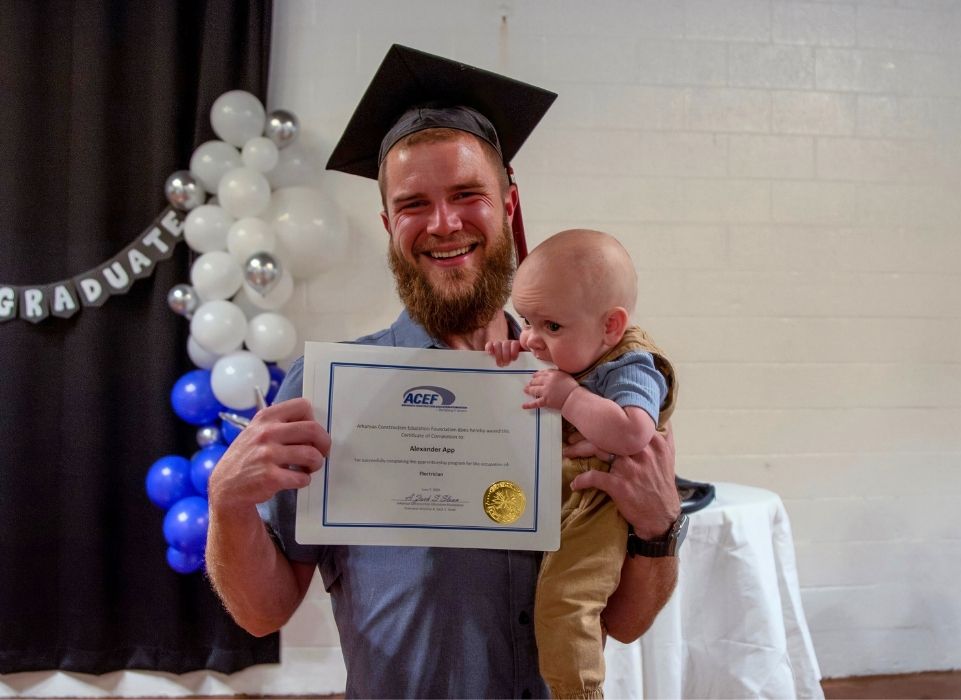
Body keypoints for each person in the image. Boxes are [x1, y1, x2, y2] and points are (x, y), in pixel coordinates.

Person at [205, 45, 683, 699]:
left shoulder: (589, 390)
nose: (444, 223)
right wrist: (228, 504)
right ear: (388, 225)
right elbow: (264, 610)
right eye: (413, 205)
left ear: (508, 207)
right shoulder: (329, 392)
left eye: (467, 195)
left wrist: (659, 529)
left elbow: (625, 624)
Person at [487, 229, 681, 699]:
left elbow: (634, 433)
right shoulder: (579, 344)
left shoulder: (630, 365)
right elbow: (543, 359)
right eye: (525, 320)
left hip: (599, 504)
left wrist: (570, 396)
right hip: (559, 496)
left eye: (550, 327)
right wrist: (516, 355)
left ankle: (580, 692)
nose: (532, 336)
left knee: (566, 599)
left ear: (611, 326)